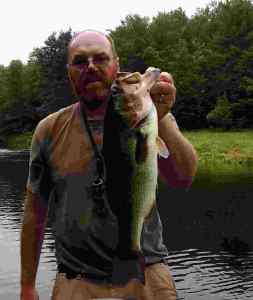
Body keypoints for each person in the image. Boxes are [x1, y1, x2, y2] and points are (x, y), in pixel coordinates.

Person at [20, 29, 198, 300]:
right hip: (76, 280)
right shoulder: (49, 130)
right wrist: (27, 286)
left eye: (100, 58)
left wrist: (163, 119)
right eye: (80, 61)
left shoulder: (151, 117)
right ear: (69, 71)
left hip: (146, 275)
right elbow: (35, 212)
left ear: (116, 64)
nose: (90, 66)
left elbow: (183, 179)